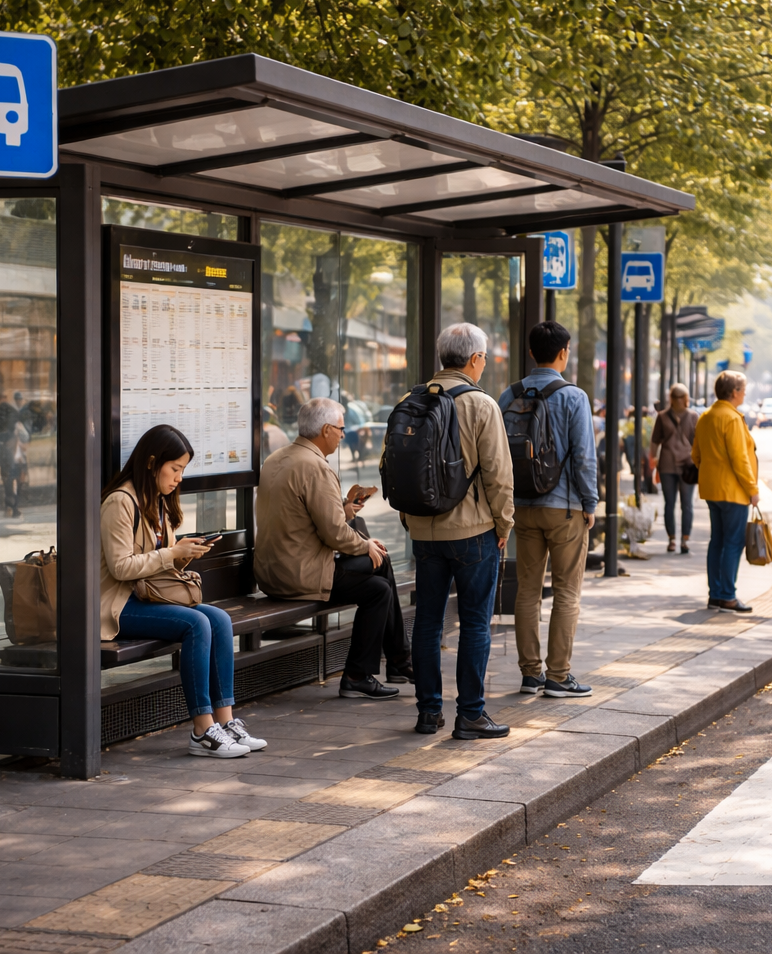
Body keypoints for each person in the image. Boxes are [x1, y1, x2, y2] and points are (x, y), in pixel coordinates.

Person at [100, 424, 266, 757]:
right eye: (175, 469)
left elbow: (160, 567)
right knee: (196, 623)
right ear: (151, 463)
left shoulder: (158, 502)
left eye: (182, 470)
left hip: (148, 597)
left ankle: (226, 721)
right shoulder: (120, 502)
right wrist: (172, 554)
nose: (179, 478)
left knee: (218, 619)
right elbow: (120, 567)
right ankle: (203, 732)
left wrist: (183, 555)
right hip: (118, 606)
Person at [402, 323, 516, 740]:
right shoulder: (481, 405)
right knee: (475, 623)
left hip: (424, 533)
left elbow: (394, 467)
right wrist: (504, 523)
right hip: (473, 531)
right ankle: (470, 714)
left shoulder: (412, 399)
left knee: (428, 622)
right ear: (474, 359)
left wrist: (411, 519)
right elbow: (499, 475)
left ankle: (428, 712)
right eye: (484, 357)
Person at [254, 397, 400, 700]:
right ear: (325, 430)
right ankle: (372, 670)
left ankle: (396, 661)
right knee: (379, 586)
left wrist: (346, 511)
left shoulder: (276, 458)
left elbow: (306, 520)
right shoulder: (316, 468)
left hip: (271, 571)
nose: (343, 434)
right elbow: (334, 534)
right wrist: (364, 545)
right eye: (341, 429)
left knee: (378, 568)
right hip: (300, 574)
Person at [498, 320, 598, 699]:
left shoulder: (509, 395)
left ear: (530, 353)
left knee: (527, 590)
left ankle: (530, 674)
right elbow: (585, 457)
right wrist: (590, 503)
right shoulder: (574, 397)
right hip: (565, 508)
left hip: (522, 507)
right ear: (562, 352)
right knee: (567, 591)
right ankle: (558, 675)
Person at [691, 370, 759, 612]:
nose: (744, 393)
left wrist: (710, 471)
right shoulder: (732, 419)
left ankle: (715, 594)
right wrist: (752, 488)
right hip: (734, 491)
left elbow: (696, 454)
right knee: (732, 542)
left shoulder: (706, 416)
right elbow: (740, 459)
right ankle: (728, 596)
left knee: (717, 541)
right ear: (733, 392)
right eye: (742, 389)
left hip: (711, 489)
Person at [649, 383, 700, 554]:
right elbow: (698, 443)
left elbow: (655, 441)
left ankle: (673, 539)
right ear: (687, 399)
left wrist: (652, 459)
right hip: (686, 464)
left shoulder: (663, 417)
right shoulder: (693, 416)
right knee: (686, 504)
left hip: (669, 464)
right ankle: (684, 540)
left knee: (670, 504)